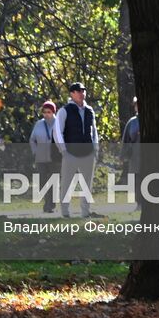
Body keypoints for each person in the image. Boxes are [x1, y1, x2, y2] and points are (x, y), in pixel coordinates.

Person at [53, 82, 101, 218]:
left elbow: (94, 131)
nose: (82, 93)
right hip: (70, 153)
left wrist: (95, 148)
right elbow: (57, 132)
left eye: (83, 91)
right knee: (67, 183)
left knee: (87, 184)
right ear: (72, 94)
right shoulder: (65, 110)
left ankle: (85, 212)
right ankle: (65, 212)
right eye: (78, 91)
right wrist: (63, 150)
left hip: (88, 152)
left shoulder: (90, 110)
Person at [29, 101, 61, 213]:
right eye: (44, 112)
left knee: (53, 181)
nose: (46, 114)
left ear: (53, 112)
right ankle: (47, 202)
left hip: (55, 157)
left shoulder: (59, 123)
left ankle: (50, 205)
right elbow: (32, 139)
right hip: (41, 157)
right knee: (43, 181)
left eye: (49, 112)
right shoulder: (39, 124)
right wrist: (35, 151)